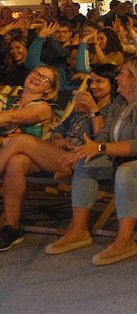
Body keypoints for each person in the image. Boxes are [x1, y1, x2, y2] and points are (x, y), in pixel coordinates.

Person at [45, 57, 137, 265]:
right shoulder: (121, 102)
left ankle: (125, 240)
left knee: (126, 171)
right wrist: (83, 152)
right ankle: (78, 230)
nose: (116, 77)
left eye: (122, 73)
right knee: (87, 163)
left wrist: (99, 148)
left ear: (136, 78)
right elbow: (104, 135)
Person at [0, 65, 118, 251]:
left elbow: (103, 139)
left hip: (83, 159)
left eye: (100, 82)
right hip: (60, 154)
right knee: (17, 162)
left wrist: (94, 110)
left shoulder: (114, 108)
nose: (93, 86)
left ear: (113, 85)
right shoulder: (81, 106)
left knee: (23, 141)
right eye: (91, 81)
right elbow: (60, 129)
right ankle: (12, 227)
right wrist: (59, 139)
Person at [0, 65, 60, 141]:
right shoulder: (10, 97)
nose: (37, 78)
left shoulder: (44, 107)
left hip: (21, 149)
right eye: (35, 73)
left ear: (49, 89)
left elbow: (12, 118)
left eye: (44, 78)